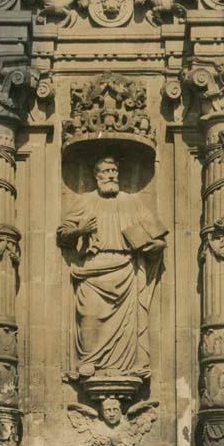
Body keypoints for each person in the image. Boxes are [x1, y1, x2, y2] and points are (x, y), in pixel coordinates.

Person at [57, 156, 167, 379]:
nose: (111, 175)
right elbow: (63, 236)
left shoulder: (132, 202)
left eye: (114, 171)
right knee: (89, 315)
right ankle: (88, 361)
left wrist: (154, 246)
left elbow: (158, 238)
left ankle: (127, 366)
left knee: (128, 326)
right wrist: (80, 230)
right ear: (96, 176)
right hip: (93, 269)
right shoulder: (85, 202)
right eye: (106, 171)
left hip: (125, 269)